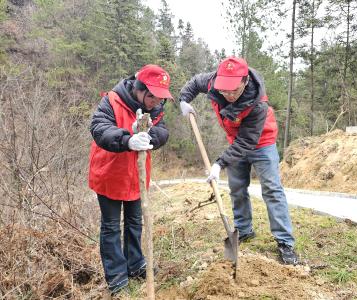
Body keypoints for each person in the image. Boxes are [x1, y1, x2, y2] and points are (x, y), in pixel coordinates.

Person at [179, 56, 298, 265]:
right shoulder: (214, 82)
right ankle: (243, 230)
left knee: (271, 189)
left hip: (261, 142)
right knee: (236, 188)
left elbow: (247, 141)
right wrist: (184, 100)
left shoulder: (258, 103)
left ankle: (285, 242)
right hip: (235, 141)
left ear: (245, 81)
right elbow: (196, 82)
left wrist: (219, 163)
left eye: (234, 90)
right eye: (224, 90)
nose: (228, 94)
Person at [89, 64, 172, 294]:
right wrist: (127, 139)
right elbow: (99, 128)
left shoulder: (154, 109)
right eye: (153, 96)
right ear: (139, 88)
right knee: (111, 227)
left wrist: (150, 137)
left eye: (161, 98)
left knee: (135, 223)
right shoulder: (112, 100)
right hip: (109, 173)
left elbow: (163, 131)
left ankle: (135, 264)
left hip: (137, 176)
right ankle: (116, 276)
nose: (157, 102)